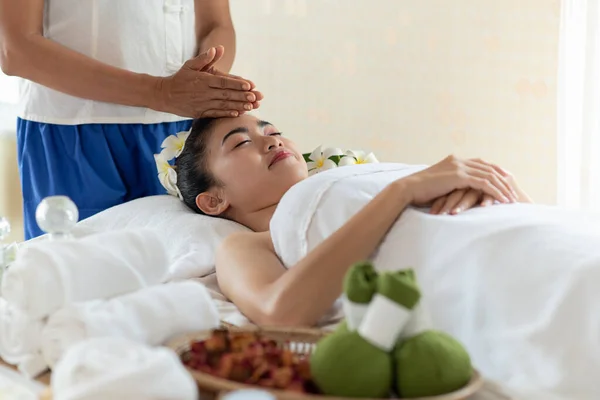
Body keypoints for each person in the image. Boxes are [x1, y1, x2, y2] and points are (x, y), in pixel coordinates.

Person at [173, 114, 539, 324]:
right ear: (213, 200)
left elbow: (529, 217)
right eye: (241, 143)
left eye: (272, 132)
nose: (272, 142)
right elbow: (279, 311)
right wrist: (402, 192)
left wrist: (495, 187)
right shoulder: (244, 246)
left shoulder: (356, 178)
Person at [0, 0, 263, 239]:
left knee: (179, 272)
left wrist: (205, 84)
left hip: (179, 131)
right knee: (76, 274)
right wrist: (160, 92)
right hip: (75, 133)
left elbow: (217, 24)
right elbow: (16, 49)